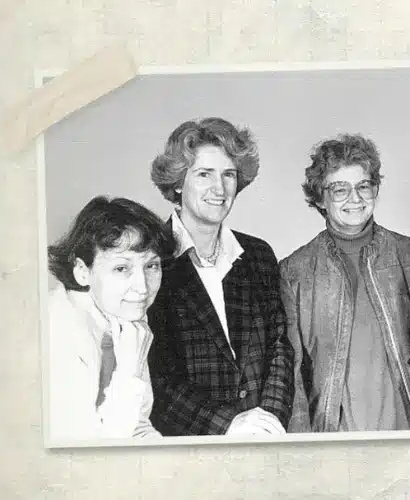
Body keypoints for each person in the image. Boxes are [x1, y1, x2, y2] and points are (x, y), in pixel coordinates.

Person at [145, 117, 294, 436]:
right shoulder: (150, 259)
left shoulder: (257, 255)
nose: (219, 188)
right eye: (204, 174)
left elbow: (279, 347)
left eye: (228, 174)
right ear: (178, 182)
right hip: (188, 443)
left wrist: (268, 421)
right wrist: (228, 424)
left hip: (263, 437)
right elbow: (154, 373)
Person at [279, 134, 410, 433]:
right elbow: (292, 372)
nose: (355, 199)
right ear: (319, 198)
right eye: (340, 189)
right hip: (333, 438)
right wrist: (301, 447)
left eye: (364, 186)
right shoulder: (294, 272)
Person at [45, 196, 174, 441]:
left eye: (151, 266)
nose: (142, 287)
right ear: (82, 272)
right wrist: (129, 372)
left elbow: (137, 426)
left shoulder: (124, 315)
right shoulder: (55, 330)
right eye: (121, 268)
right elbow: (92, 449)